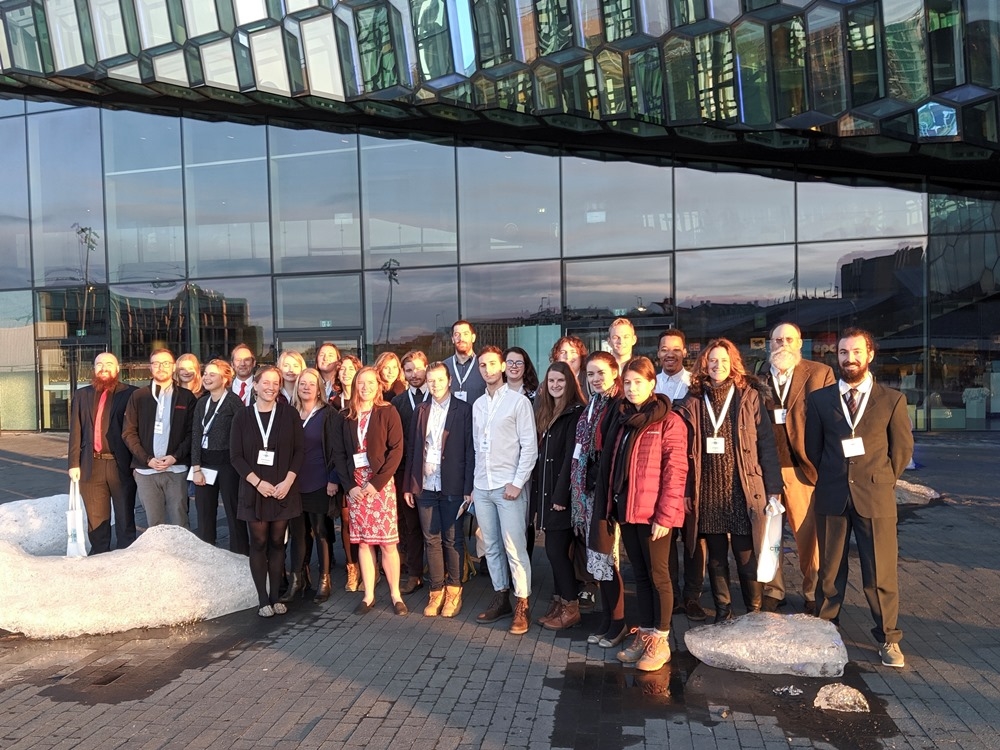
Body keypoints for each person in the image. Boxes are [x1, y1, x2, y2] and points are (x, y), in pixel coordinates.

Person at [805, 327, 913, 668]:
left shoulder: (892, 400)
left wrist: (880, 481)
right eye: (842, 353)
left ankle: (888, 638)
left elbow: (901, 451)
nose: (848, 359)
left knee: (880, 574)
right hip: (832, 495)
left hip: (875, 497)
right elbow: (813, 448)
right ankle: (825, 633)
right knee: (830, 573)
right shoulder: (820, 400)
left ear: (869, 355)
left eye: (855, 352)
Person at [674, 339, 783, 623]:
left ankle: (754, 611)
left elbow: (767, 446)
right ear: (703, 365)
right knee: (717, 558)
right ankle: (723, 612)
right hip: (707, 490)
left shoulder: (748, 396)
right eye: (712, 361)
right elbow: (684, 453)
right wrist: (687, 490)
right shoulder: (693, 399)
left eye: (723, 360)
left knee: (746, 556)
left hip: (743, 488)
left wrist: (774, 489)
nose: (717, 366)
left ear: (733, 363)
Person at [594, 356, 688, 672]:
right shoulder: (622, 419)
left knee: (660, 576)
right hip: (628, 511)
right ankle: (646, 633)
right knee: (643, 577)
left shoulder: (669, 421)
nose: (633, 388)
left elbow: (675, 472)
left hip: (654, 516)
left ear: (652, 384)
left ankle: (661, 640)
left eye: (639, 382)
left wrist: (665, 515)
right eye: (629, 382)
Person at [761, 322, 835, 615]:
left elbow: (831, 420)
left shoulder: (819, 374)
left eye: (789, 339)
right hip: (767, 469)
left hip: (802, 469)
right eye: (777, 339)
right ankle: (773, 589)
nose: (783, 344)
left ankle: (812, 589)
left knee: (809, 536)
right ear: (769, 344)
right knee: (770, 535)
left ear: (800, 343)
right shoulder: (759, 378)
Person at [472, 346, 538, 635]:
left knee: (514, 547)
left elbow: (530, 448)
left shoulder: (518, 402)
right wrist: (474, 486)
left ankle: (522, 603)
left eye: (492, 364)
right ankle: (501, 597)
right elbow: (477, 448)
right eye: (482, 365)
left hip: (508, 487)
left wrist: (517, 482)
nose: (488, 370)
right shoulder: (477, 405)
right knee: (492, 547)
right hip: (482, 486)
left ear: (502, 367)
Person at [332, 367, 407, 616]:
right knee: (364, 543)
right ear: (354, 386)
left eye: (370, 383)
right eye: (361, 383)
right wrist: (350, 487)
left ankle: (395, 595)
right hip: (355, 488)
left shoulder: (388, 411)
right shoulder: (345, 416)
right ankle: (369, 595)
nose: (365, 387)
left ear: (378, 385)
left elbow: (396, 451)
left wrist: (376, 484)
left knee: (388, 544)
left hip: (380, 486)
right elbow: (340, 455)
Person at [403, 361, 475, 617]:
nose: (434, 385)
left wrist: (469, 487)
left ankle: (454, 590)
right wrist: (410, 485)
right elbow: (413, 449)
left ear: (449, 381)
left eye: (439, 380)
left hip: (453, 484)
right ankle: (436, 591)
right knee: (430, 539)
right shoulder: (421, 410)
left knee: (452, 539)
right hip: (425, 485)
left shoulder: (464, 410)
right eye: (430, 380)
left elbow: (470, 450)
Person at [231, 366, 304, 617]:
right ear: (255, 385)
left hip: (283, 490)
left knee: (277, 543)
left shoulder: (289, 414)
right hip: (255, 490)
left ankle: (275, 597)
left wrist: (288, 482)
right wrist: (258, 483)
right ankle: (262, 599)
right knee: (259, 543)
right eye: (266, 383)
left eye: (276, 383)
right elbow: (236, 457)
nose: (271, 387)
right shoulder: (242, 417)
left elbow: (299, 451)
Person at [573, 352, 627, 647]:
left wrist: (596, 472)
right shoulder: (592, 404)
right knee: (598, 558)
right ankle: (608, 618)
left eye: (601, 373)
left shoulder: (618, 405)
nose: (595, 379)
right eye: (591, 374)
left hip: (607, 494)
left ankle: (618, 622)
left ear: (615, 373)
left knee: (608, 557)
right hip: (589, 492)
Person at [654, 328, 706, 622]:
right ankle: (670, 594)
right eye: (664, 349)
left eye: (676, 349)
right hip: (659, 474)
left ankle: (692, 596)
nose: (670, 354)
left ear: (685, 352)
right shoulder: (651, 385)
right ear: (658, 353)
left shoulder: (696, 386)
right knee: (665, 537)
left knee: (692, 538)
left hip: (691, 472)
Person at [67, 352, 137, 553]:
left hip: (120, 464)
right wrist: (73, 463)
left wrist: (137, 463)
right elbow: (76, 431)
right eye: (99, 364)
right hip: (91, 465)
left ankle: (125, 556)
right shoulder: (82, 395)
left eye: (108, 364)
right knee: (96, 518)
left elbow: (136, 432)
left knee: (125, 515)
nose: (103, 368)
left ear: (117, 369)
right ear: (94, 368)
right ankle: (99, 556)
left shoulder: (132, 394)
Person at [533, 362, 586, 631]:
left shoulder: (575, 413)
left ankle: (571, 606)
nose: (555, 385)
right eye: (551, 381)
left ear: (570, 384)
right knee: (555, 552)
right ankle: (559, 601)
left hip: (559, 495)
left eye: (560, 381)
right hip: (546, 492)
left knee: (555, 551)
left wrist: (560, 494)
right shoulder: (548, 411)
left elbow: (569, 459)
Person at [122, 348, 197, 529]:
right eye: (156, 363)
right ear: (150, 367)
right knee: (154, 525)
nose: (161, 367)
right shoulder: (139, 396)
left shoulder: (186, 397)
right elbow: (128, 432)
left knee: (180, 522)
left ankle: (181, 557)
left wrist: (175, 456)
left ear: (173, 368)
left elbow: (192, 433)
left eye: (166, 363)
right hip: (146, 471)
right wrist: (146, 459)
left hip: (176, 470)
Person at [283, 368, 339, 604]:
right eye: (302, 383)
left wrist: (334, 479)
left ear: (319, 389)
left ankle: (324, 580)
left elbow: (337, 449)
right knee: (298, 534)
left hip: (320, 481)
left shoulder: (328, 414)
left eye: (311, 384)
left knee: (321, 532)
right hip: (294, 482)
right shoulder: (289, 413)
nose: (306, 387)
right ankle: (298, 580)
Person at [190, 359, 246, 553]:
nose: (207, 377)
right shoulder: (202, 402)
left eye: (212, 374)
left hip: (228, 464)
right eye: (205, 374)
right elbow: (196, 434)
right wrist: (195, 467)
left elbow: (243, 433)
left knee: (233, 512)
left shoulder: (233, 402)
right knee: (204, 513)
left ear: (225, 379)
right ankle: (207, 555)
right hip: (205, 463)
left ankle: (240, 556)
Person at [391, 350, 430, 595]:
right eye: (408, 370)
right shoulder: (398, 402)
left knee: (438, 527)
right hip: (407, 472)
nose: (414, 374)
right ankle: (414, 574)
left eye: (418, 368)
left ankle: (444, 574)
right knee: (412, 525)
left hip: (437, 472)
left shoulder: (438, 397)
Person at [330, 353, 363, 590]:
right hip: (341, 473)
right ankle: (352, 568)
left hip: (366, 472)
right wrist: (334, 477)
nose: (346, 372)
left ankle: (371, 566)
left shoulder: (366, 401)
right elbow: (331, 445)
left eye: (351, 369)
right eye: (342, 369)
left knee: (367, 519)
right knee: (347, 520)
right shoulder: (331, 403)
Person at [446, 320, 487, 404]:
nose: (461, 338)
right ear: (452, 339)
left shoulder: (483, 365)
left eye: (465, 334)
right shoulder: (444, 367)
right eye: (457, 334)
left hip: (477, 416)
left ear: (473, 338)